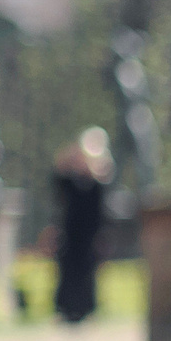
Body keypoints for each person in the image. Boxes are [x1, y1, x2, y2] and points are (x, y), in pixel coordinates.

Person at [50, 128, 114, 326]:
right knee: (67, 273)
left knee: (88, 275)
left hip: (90, 236)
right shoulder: (71, 181)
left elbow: (105, 205)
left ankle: (86, 310)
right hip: (70, 235)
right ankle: (66, 310)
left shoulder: (98, 184)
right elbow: (57, 179)